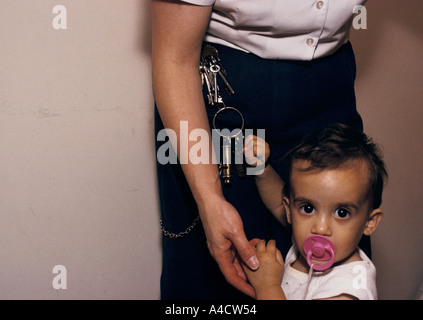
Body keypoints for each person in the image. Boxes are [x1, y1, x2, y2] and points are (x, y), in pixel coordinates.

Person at [151, 0, 369, 299]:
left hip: (330, 96)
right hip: (220, 106)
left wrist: (266, 288)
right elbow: (173, 58)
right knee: (211, 281)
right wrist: (211, 196)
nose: (321, 228)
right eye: (303, 208)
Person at [242, 123, 388, 299]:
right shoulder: (303, 246)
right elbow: (278, 202)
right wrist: (260, 168)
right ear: (290, 211)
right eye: (308, 208)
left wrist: (267, 286)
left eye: (341, 212)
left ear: (369, 222)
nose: (320, 228)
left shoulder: (349, 286)